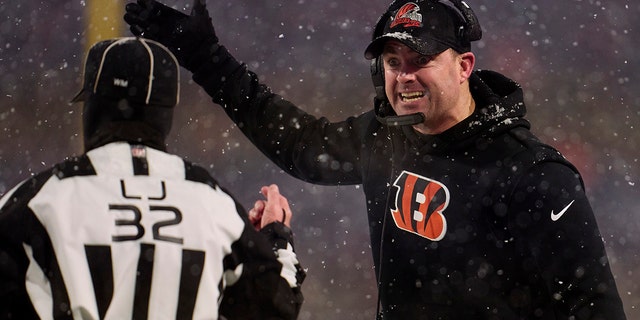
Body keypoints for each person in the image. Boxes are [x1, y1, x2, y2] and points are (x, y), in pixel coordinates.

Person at [124, 0, 627, 319]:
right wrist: (205, 56)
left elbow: (595, 307)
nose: (403, 77)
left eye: (420, 61)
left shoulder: (534, 175)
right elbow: (299, 145)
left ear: (464, 67)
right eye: (392, 63)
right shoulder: (385, 139)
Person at [0, 37, 305, 320]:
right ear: (165, 113)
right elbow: (275, 310)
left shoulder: (39, 201)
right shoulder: (213, 206)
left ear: (93, 107)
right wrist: (274, 241)